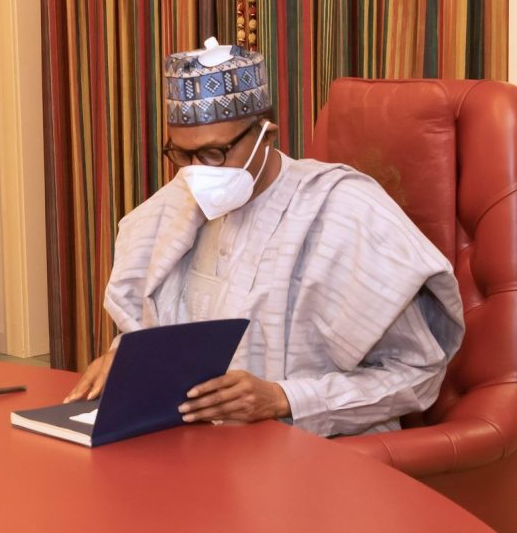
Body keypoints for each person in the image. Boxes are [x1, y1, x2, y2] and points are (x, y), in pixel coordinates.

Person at [64, 38, 464, 437]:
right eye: (182, 155)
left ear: (265, 135)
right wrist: (126, 359)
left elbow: (415, 374)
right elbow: (160, 334)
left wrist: (284, 399)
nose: (196, 172)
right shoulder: (168, 210)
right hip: (185, 446)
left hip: (318, 455)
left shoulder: (345, 212)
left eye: (214, 154)